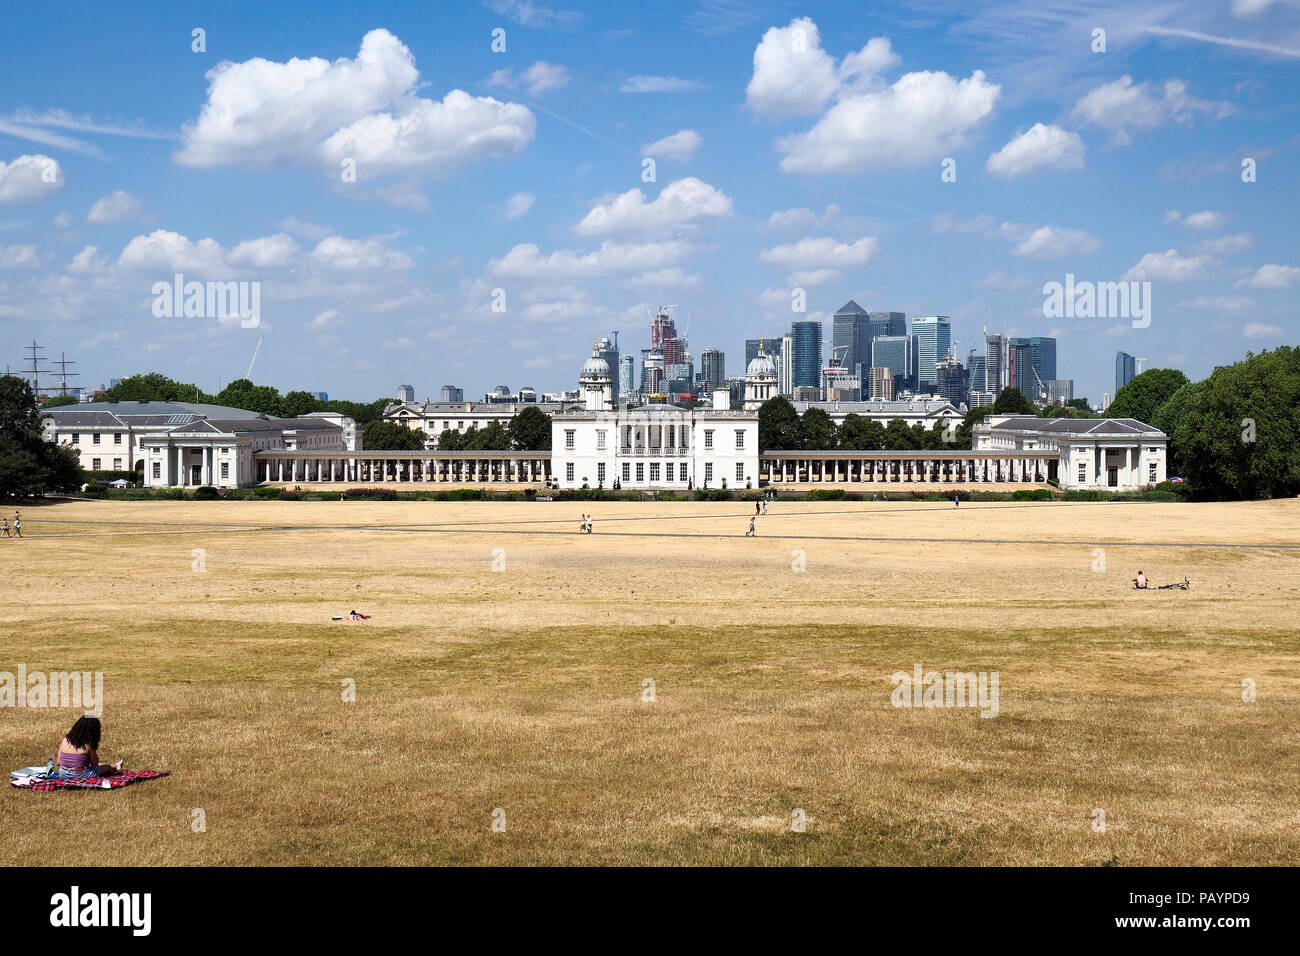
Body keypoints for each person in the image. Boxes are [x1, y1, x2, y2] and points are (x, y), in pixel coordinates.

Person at [54, 716, 122, 781]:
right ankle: (114, 766)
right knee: (105, 767)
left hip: (63, 774)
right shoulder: (87, 745)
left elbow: (58, 762)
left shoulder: (65, 740)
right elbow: (95, 764)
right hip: (79, 775)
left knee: (95, 766)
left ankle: (115, 765)